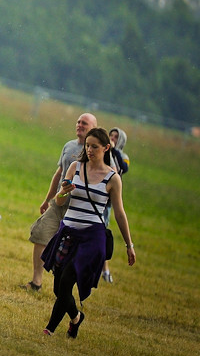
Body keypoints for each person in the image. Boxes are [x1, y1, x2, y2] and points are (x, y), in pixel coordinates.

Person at [41, 127, 136, 338]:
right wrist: (63, 193)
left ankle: (50, 329)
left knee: (66, 281)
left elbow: (119, 213)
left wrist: (129, 245)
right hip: (68, 232)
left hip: (92, 238)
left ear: (106, 148)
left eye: (95, 146)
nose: (90, 150)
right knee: (59, 288)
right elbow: (59, 201)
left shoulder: (112, 178)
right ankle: (75, 318)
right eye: (87, 146)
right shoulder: (75, 167)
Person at [22, 113, 98, 292]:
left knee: (71, 248)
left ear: (93, 128)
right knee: (41, 233)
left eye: (84, 123)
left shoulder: (95, 152)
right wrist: (47, 199)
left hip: (78, 207)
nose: (79, 125)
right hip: (59, 201)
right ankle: (36, 282)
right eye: (78, 122)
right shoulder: (69, 146)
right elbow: (59, 173)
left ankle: (65, 287)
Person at [101, 127, 130, 283]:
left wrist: (113, 150)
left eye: (116, 137)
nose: (112, 138)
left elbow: (123, 168)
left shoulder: (122, 156)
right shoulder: (102, 152)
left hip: (109, 199)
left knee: (101, 231)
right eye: (110, 135)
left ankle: (104, 269)